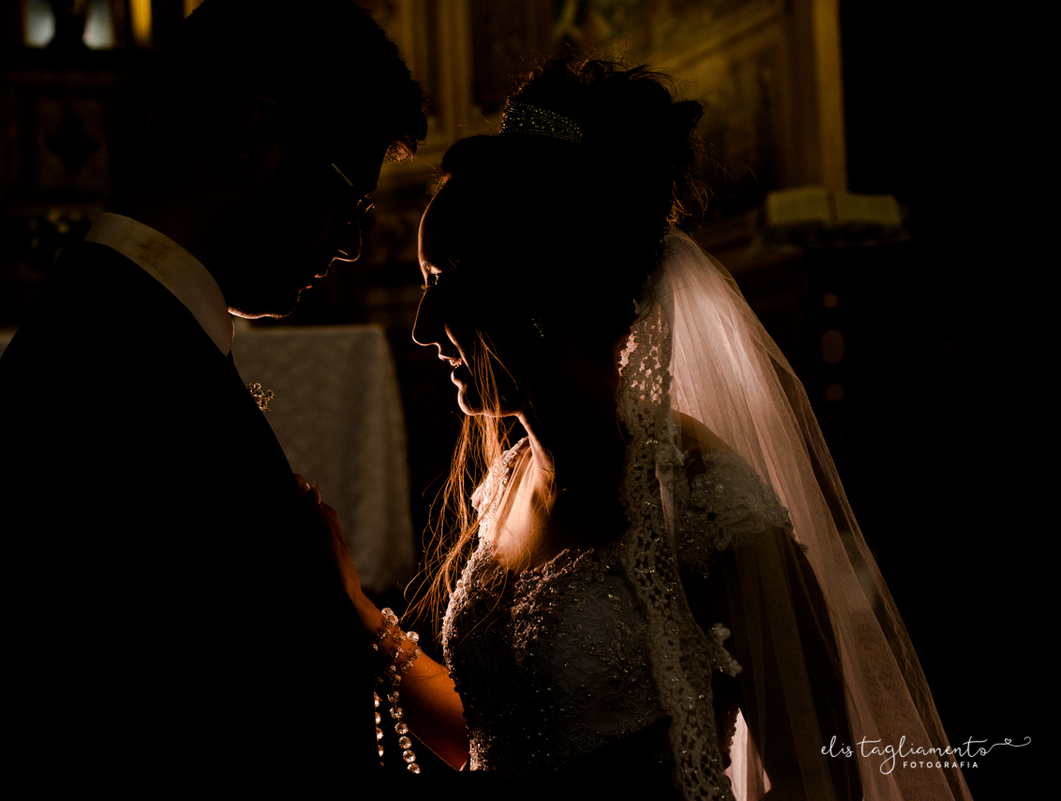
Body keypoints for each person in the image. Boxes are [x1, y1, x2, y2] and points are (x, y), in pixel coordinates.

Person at [329, 58, 972, 799]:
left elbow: (824, 778)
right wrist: (353, 608)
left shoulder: (705, 503)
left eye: (445, 282)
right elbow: (498, 735)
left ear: (540, 284)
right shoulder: (507, 483)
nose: (421, 327)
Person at [0, 0, 425, 783]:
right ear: (255, 140)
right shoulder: (121, 370)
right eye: (348, 197)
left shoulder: (116, 330)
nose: (352, 244)